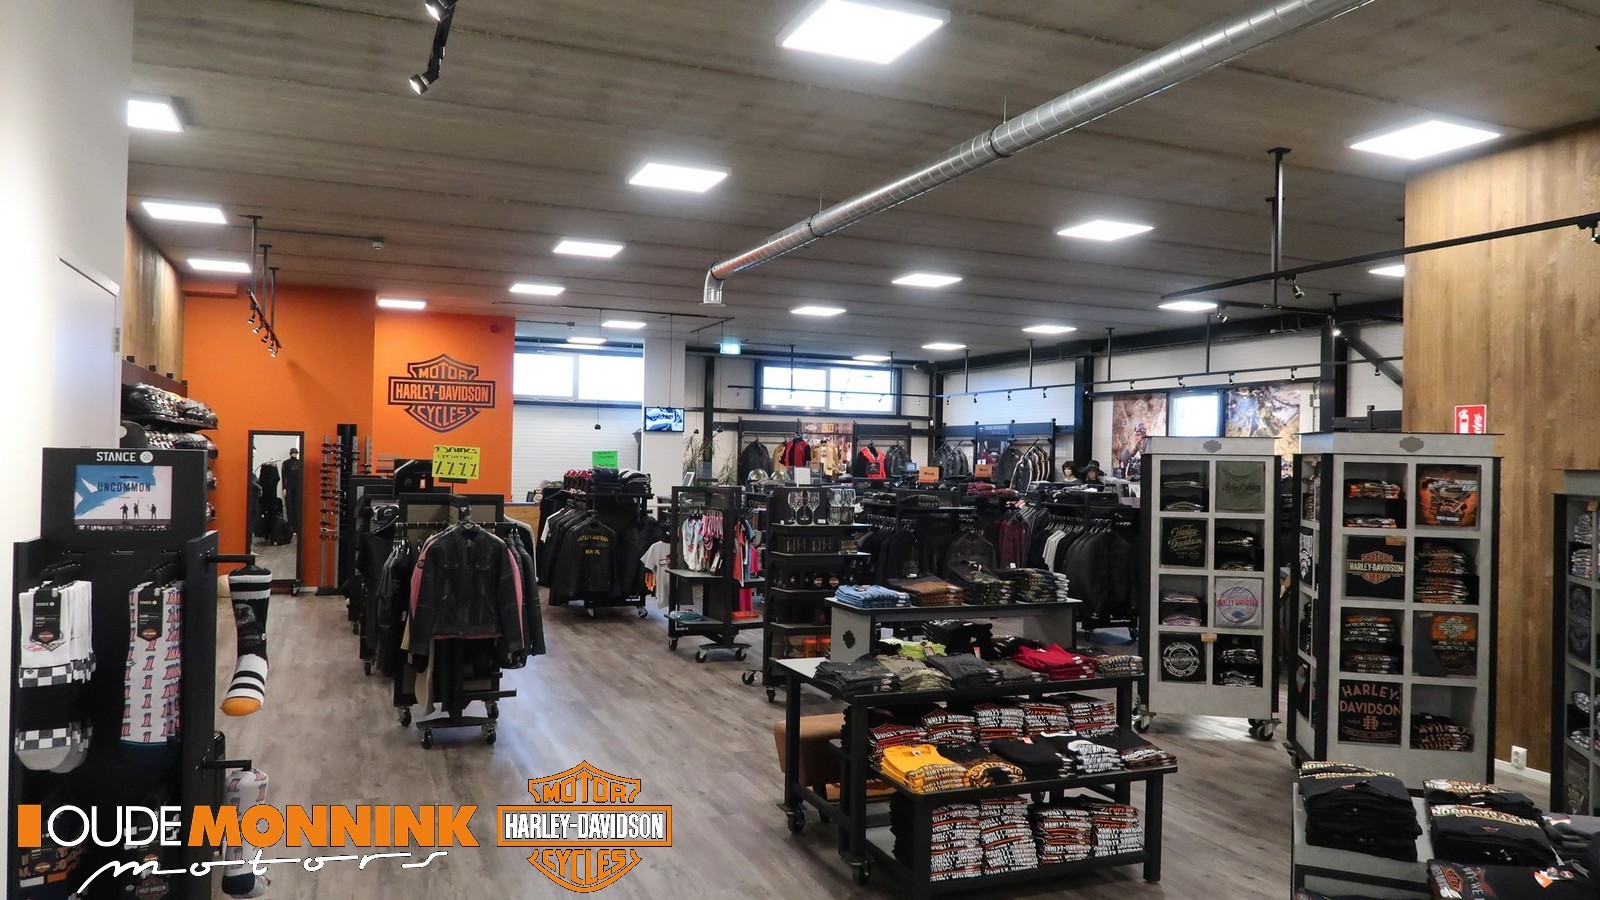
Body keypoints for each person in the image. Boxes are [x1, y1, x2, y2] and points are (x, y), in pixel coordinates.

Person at [281, 447, 302, 535]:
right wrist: (284, 488)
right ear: (290, 453)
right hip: (289, 486)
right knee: (289, 507)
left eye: (296, 453)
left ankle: (297, 528)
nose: (294, 454)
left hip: (298, 486)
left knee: (297, 507)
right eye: (293, 453)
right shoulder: (286, 463)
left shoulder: (300, 462)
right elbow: (284, 476)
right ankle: (291, 528)